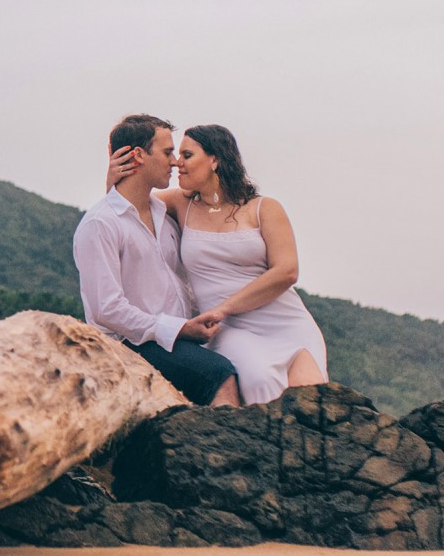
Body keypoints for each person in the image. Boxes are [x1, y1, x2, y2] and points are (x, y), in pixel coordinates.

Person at [149, 123, 327, 404]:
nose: (177, 163)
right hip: (229, 329)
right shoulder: (180, 204)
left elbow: (287, 272)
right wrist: (115, 175)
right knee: (259, 387)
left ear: (215, 160)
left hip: (286, 323)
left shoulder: (264, 208)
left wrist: (224, 308)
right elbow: (125, 206)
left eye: (187, 155)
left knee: (313, 404)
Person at [72, 114, 240, 406]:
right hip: (131, 345)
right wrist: (178, 329)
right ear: (138, 156)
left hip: (177, 338)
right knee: (219, 373)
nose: (175, 161)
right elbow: (106, 310)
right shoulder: (100, 224)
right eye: (167, 152)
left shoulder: (164, 213)